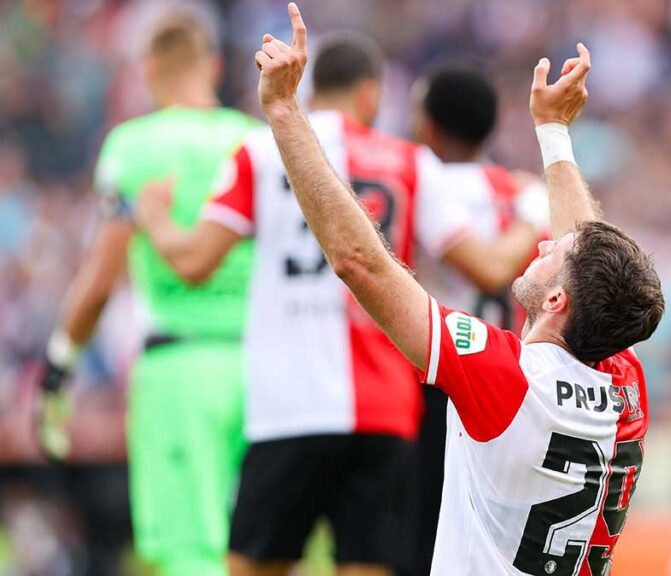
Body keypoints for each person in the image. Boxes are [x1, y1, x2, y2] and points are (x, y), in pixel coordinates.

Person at [253, 5, 664, 575]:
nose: (543, 244)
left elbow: (360, 263)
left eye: (553, 252)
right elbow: (583, 251)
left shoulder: (505, 376)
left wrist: (284, 113)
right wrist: (553, 134)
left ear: (556, 302)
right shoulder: (624, 377)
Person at [136, 32, 542, 576]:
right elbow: (490, 267)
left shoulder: (259, 150)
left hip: (287, 406)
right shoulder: (409, 162)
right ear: (370, 95)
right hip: (385, 411)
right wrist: (532, 215)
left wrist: (156, 218)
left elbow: (193, 263)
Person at [34, 8, 258, 576]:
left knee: (190, 551)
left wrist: (59, 367)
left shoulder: (133, 147)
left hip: (179, 370)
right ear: (212, 64)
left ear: (150, 68)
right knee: (264, 549)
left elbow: (102, 277)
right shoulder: (258, 140)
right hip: (265, 367)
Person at [409, 65, 549, 575]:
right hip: (508, 379)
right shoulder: (524, 193)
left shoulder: (419, 181)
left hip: (435, 376)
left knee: (425, 526)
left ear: (427, 125)